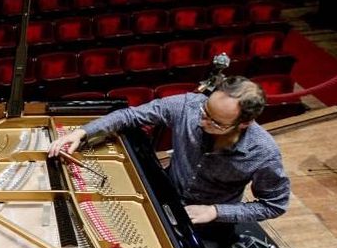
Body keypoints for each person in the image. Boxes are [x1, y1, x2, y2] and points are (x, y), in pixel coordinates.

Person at [48, 76, 289, 225]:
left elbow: (274, 205)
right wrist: (81, 133)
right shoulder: (189, 106)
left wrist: (215, 212)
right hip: (165, 194)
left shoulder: (263, 153)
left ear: (244, 124)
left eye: (215, 123)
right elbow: (129, 115)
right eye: (206, 111)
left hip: (209, 221)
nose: (202, 121)